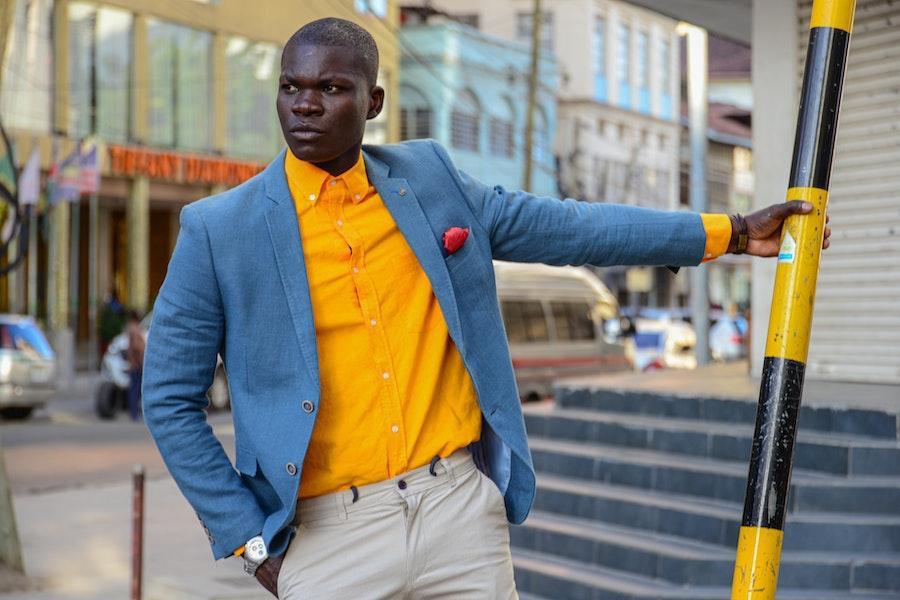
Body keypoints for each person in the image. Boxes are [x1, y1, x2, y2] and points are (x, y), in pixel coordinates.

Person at [142, 18, 831, 599]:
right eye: (291, 88)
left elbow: (568, 229)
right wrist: (250, 541)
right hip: (327, 540)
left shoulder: (430, 181)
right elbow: (170, 399)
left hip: (458, 517)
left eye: (331, 88)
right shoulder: (219, 231)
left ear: (374, 100)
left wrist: (731, 232)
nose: (306, 105)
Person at [125, 310, 145, 421]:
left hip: (134, 363)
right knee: (136, 388)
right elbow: (137, 346)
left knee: (134, 388)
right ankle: (134, 413)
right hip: (137, 363)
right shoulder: (135, 329)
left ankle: (134, 412)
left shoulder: (131, 328)